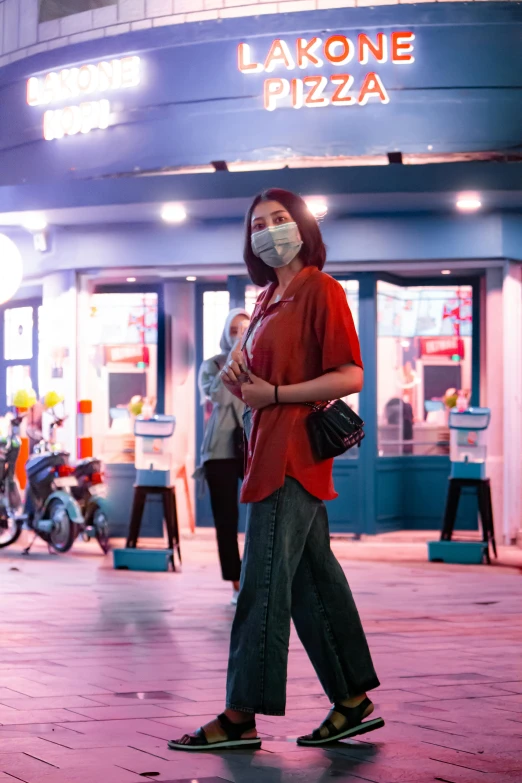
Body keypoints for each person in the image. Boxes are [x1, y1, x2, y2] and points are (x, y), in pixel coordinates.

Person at [169, 188, 381, 753]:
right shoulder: (264, 300)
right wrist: (240, 373)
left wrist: (277, 391)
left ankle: (241, 715)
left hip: (292, 455)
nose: (269, 230)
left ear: (303, 226)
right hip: (264, 453)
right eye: (259, 223)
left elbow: (350, 375)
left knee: (260, 588)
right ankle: (354, 699)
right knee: (314, 584)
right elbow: (247, 390)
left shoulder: (321, 289)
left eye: (281, 219)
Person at [198, 309, 250, 605]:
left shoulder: (259, 361)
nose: (238, 334)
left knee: (262, 514)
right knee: (226, 520)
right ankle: (235, 583)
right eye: (233, 329)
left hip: (253, 444)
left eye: (243, 328)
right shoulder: (213, 364)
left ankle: (258, 577)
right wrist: (234, 356)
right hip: (220, 450)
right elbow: (218, 396)